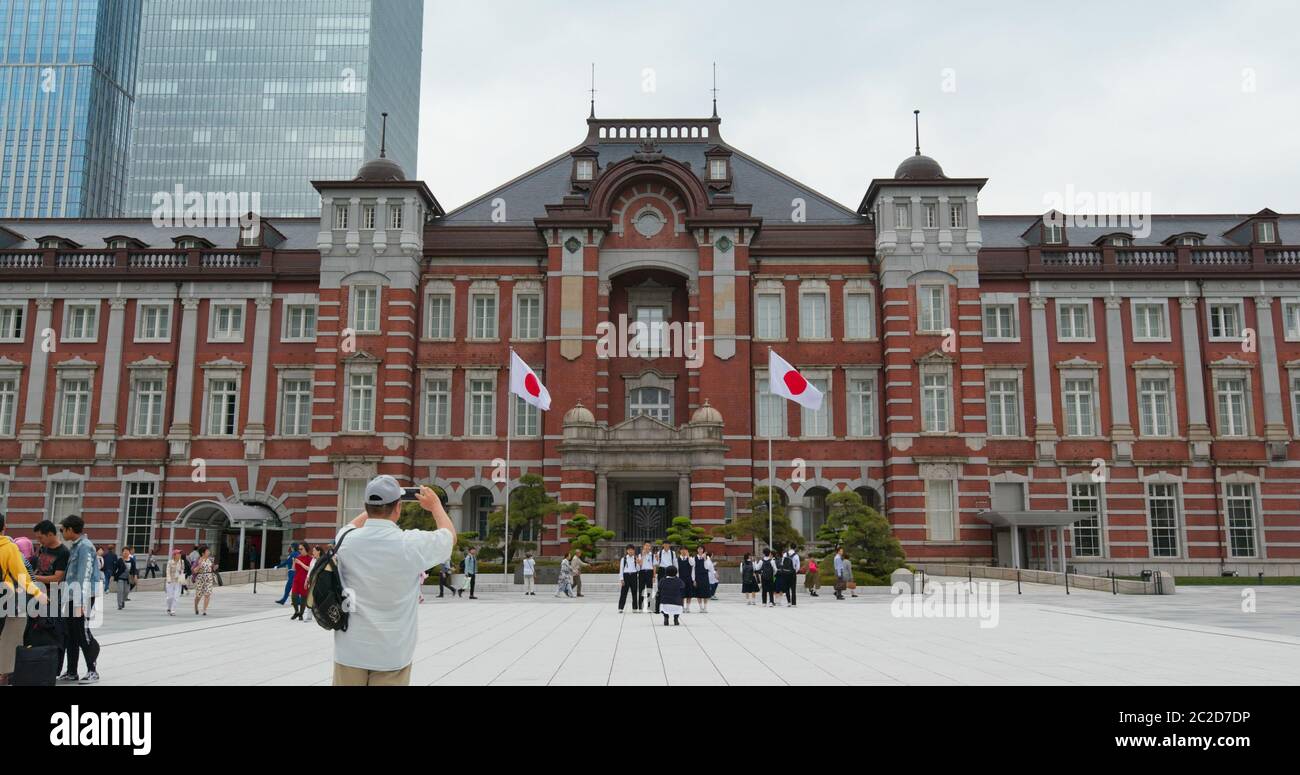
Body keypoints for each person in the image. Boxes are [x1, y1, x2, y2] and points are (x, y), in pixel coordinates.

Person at [332, 477, 453, 686]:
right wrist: (435, 506)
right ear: (398, 507)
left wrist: (374, 509)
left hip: (350, 647)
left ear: (365, 506)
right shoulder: (410, 543)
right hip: (392, 651)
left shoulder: (346, 540)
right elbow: (449, 536)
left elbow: (352, 525)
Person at [0, 515, 47, 686]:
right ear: (4, 527)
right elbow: (23, 577)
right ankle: (4, 677)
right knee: (7, 639)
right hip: (5, 599)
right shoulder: (9, 548)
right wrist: (37, 593)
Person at [59, 515, 101, 684]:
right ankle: (71, 671)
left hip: (80, 598)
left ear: (70, 529)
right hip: (71, 596)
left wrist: (81, 602)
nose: (61, 533)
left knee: (82, 632)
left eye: (63, 530)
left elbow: (85, 575)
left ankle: (92, 670)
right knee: (71, 634)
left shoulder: (85, 547)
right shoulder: (76, 547)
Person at [289, 545, 312, 621]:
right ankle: (296, 611)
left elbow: (309, 569)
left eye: (301, 549)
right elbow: (293, 569)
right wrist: (294, 562)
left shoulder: (310, 558)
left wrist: (300, 563)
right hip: (297, 579)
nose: (300, 550)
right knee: (294, 596)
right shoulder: (298, 558)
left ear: (306, 549)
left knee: (303, 597)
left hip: (305, 580)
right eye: (299, 549)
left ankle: (301, 614)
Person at [193, 546, 216, 615]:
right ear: (203, 553)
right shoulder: (198, 560)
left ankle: (204, 610)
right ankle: (196, 606)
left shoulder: (210, 560)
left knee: (207, 594)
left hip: (209, 578)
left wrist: (214, 568)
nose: (209, 552)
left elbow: (212, 569)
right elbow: (194, 571)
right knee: (199, 595)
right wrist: (199, 566)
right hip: (200, 578)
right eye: (207, 551)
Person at [617, 544, 640, 613]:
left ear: (634, 551)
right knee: (623, 593)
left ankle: (635, 608)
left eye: (632, 550)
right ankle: (620, 608)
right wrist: (621, 579)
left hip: (634, 576)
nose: (630, 551)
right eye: (629, 550)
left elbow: (638, 569)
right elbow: (621, 570)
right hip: (626, 576)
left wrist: (638, 563)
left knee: (634, 593)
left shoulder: (636, 558)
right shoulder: (623, 559)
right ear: (627, 551)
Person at [654, 541, 674, 614]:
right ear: (663, 545)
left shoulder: (672, 553)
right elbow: (656, 564)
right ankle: (657, 608)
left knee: (670, 589)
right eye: (665, 544)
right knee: (660, 589)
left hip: (670, 571)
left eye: (668, 544)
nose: (666, 546)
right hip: (662, 571)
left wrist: (676, 573)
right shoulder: (659, 553)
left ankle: (669, 608)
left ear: (669, 545)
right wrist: (656, 559)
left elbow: (674, 563)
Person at [165, 549, 185, 615]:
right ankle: (169, 608)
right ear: (174, 555)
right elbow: (167, 571)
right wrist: (168, 579)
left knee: (176, 596)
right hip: (170, 581)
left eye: (180, 553)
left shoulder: (182, 562)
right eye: (178, 553)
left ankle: (173, 610)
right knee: (170, 597)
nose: (179, 555)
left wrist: (181, 573)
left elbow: (182, 571)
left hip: (178, 581)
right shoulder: (170, 562)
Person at [692, 546, 713, 613]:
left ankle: (705, 608)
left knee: (705, 593)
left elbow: (707, 567)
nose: (700, 550)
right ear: (697, 550)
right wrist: (694, 579)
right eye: (699, 549)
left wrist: (705, 559)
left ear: (703, 550)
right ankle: (701, 608)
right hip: (697, 577)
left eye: (701, 549)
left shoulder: (707, 558)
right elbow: (693, 570)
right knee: (699, 593)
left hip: (705, 577)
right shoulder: (694, 558)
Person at [638, 541, 655, 613]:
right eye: (646, 545)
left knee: (649, 590)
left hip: (649, 572)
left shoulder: (652, 555)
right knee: (641, 589)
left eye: (649, 546)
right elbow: (640, 565)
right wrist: (642, 556)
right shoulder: (639, 555)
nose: (647, 547)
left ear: (650, 547)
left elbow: (654, 566)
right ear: (643, 546)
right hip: (642, 572)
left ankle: (650, 607)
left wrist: (654, 576)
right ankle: (640, 607)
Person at [676, 547, 694, 613]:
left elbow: (692, 564)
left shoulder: (690, 558)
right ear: (680, 551)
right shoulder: (677, 559)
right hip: (680, 579)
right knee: (682, 594)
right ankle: (682, 607)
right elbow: (676, 570)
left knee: (689, 594)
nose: (683, 551)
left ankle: (688, 607)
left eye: (685, 550)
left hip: (688, 578)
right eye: (682, 550)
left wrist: (688, 556)